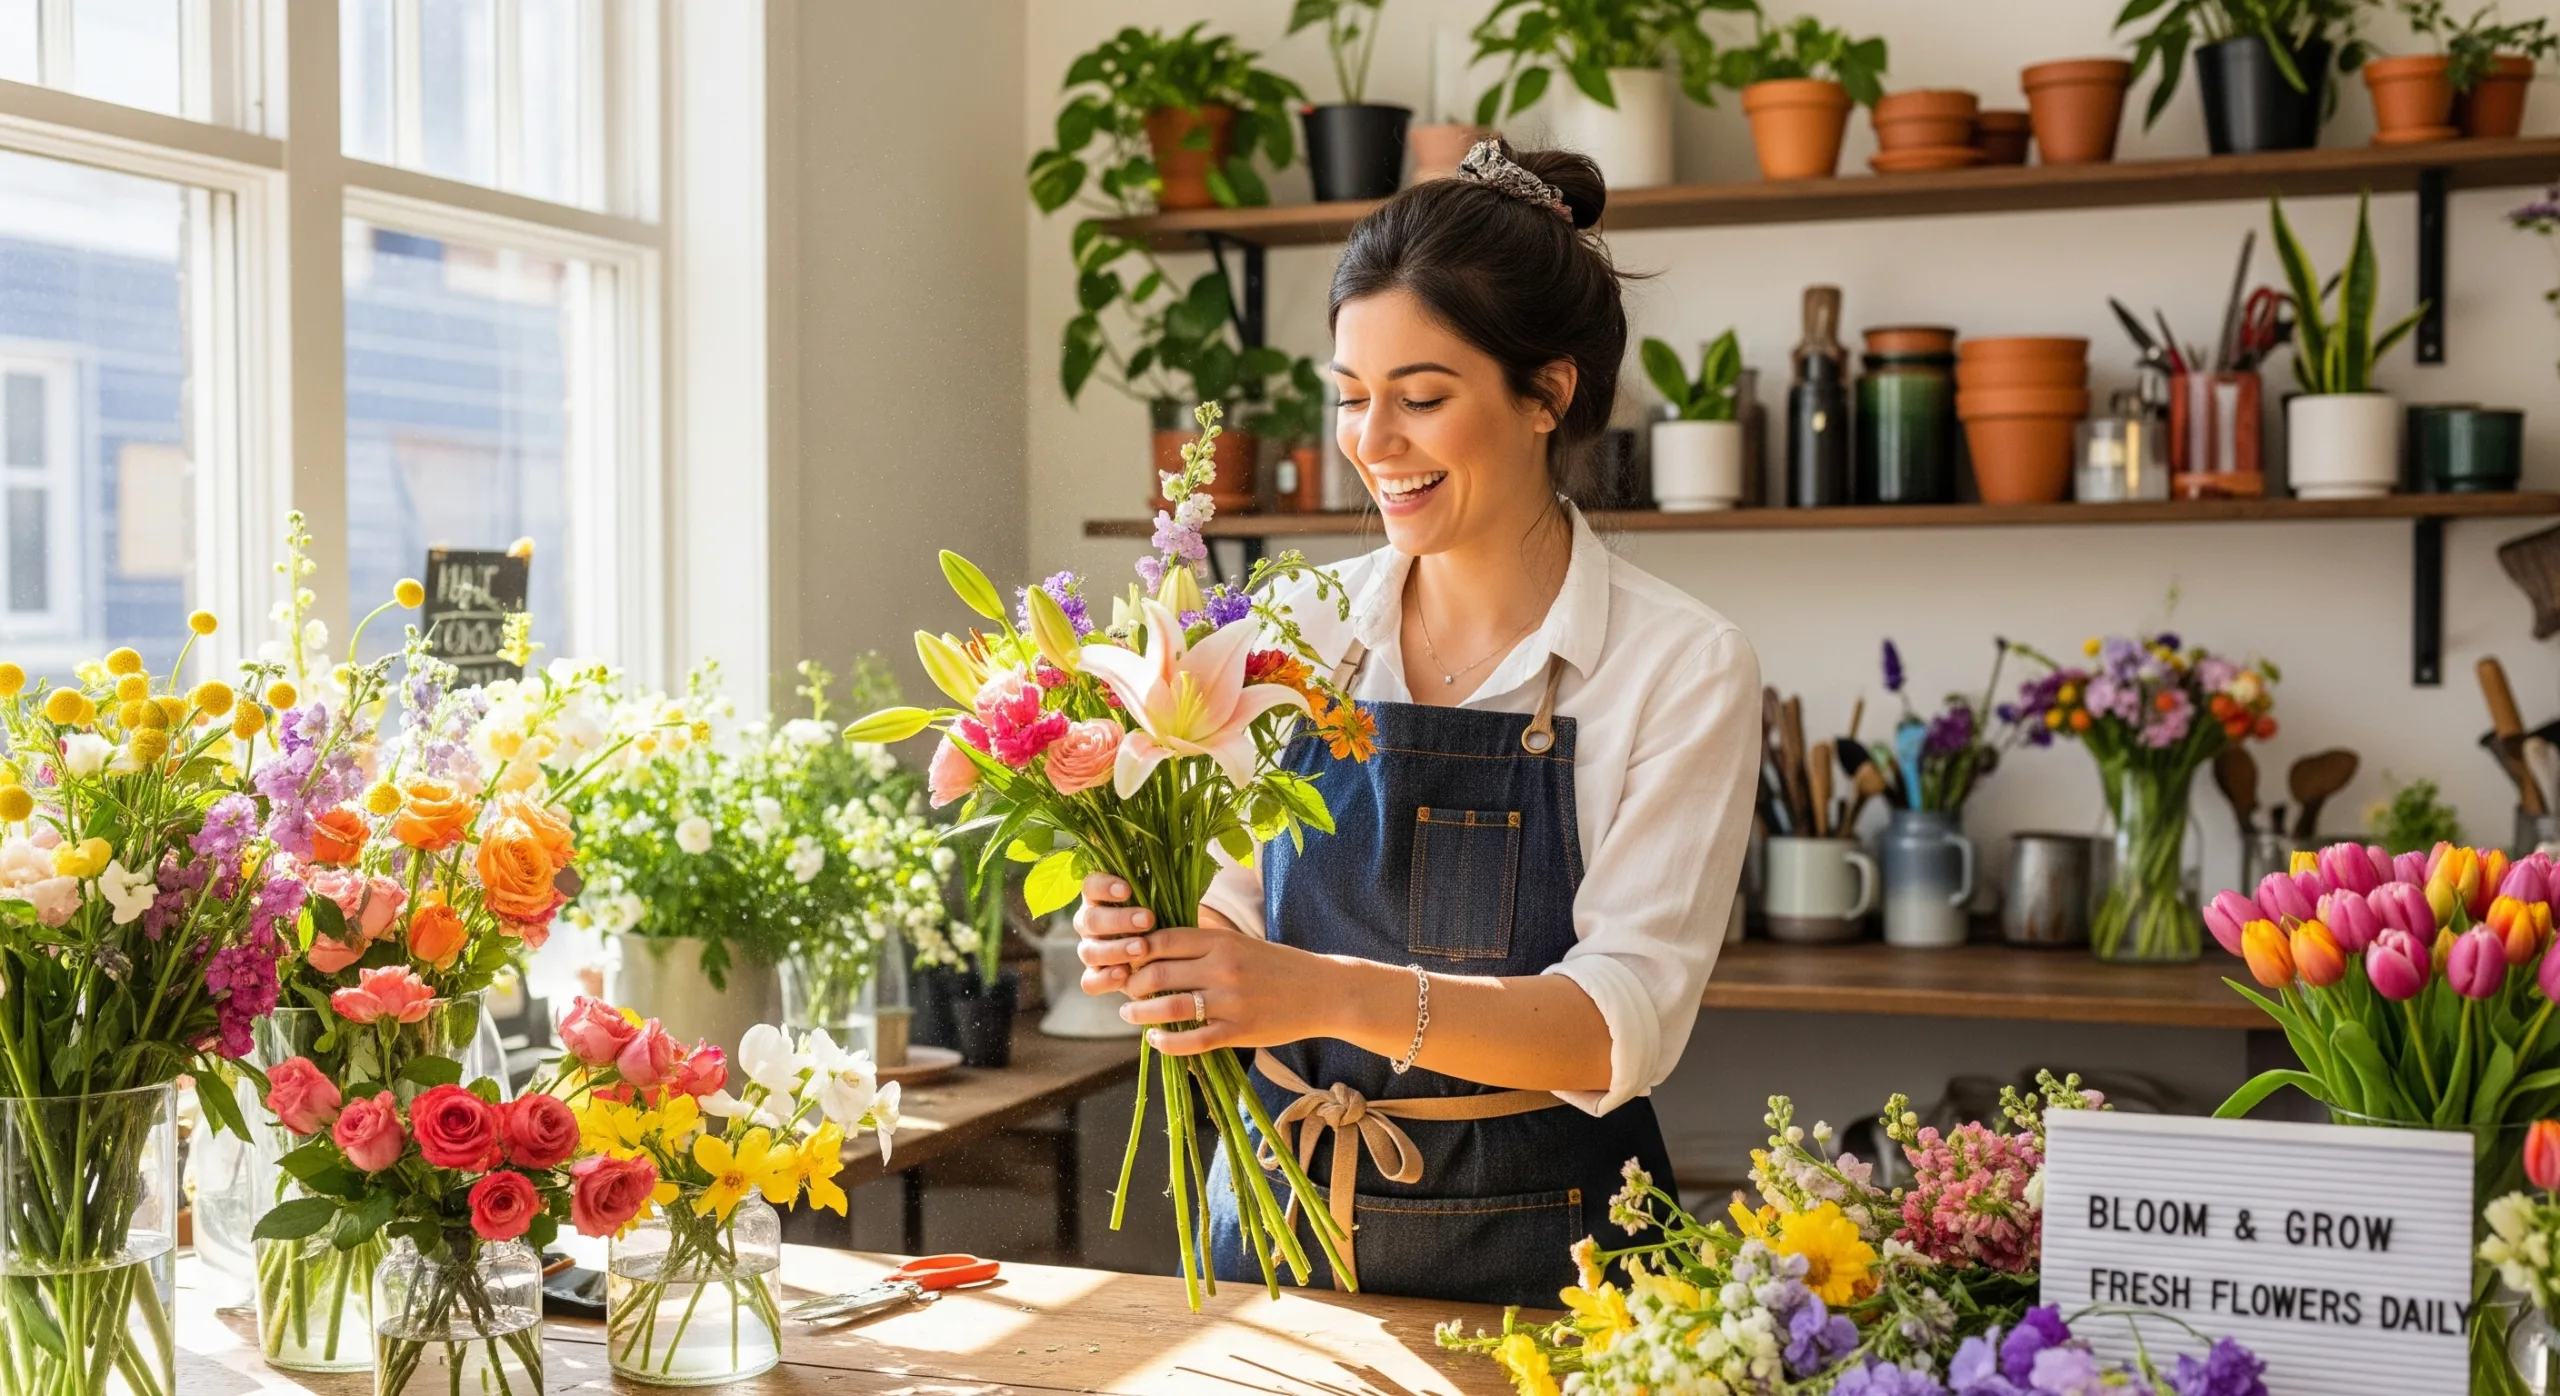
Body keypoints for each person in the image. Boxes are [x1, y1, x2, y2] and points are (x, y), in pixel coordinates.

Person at [1074, 140, 1761, 1308]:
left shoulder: (1679, 664)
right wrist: (1159, 932)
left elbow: (1615, 1026)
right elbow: (1239, 898)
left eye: (1421, 398)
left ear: (1547, 395)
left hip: (1559, 1271)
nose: (1370, 443)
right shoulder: (1299, 621)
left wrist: (1315, 992)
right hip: (1280, 1242)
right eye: (1349, 398)